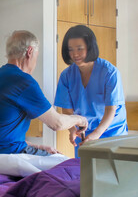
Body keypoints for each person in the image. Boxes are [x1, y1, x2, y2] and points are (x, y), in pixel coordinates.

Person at [0, 30, 88, 156]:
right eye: (36, 56)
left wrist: (39, 147)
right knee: (64, 164)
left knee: (50, 154)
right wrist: (81, 120)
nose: (35, 63)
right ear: (30, 52)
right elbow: (57, 123)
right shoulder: (23, 81)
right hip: (6, 154)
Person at [54, 25, 127, 158]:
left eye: (80, 49)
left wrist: (97, 134)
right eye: (70, 49)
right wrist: (72, 130)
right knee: (85, 173)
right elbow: (67, 110)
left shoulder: (110, 73)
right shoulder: (66, 76)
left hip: (111, 131)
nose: (75, 54)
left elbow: (111, 109)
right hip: (83, 132)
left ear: (90, 47)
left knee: (111, 173)